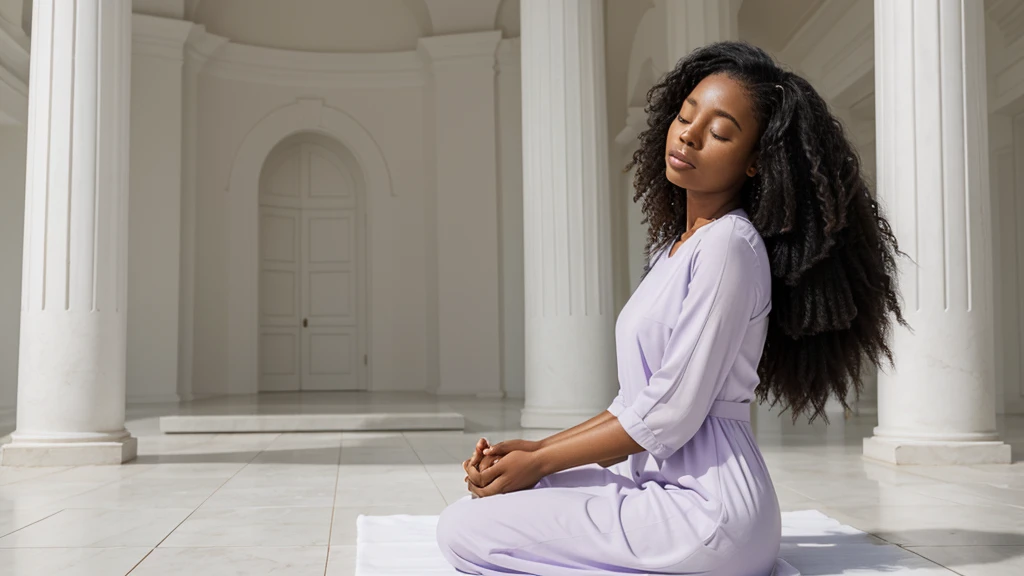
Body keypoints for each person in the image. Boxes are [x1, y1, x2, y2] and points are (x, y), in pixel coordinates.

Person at [435, 41, 904, 576]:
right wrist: (529, 453)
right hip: (658, 488)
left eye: (720, 131)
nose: (689, 134)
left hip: (709, 513)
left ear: (755, 163)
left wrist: (539, 459)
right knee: (502, 499)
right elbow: (635, 403)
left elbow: (668, 414)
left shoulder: (730, 246)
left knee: (461, 532)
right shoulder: (674, 250)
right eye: (686, 115)